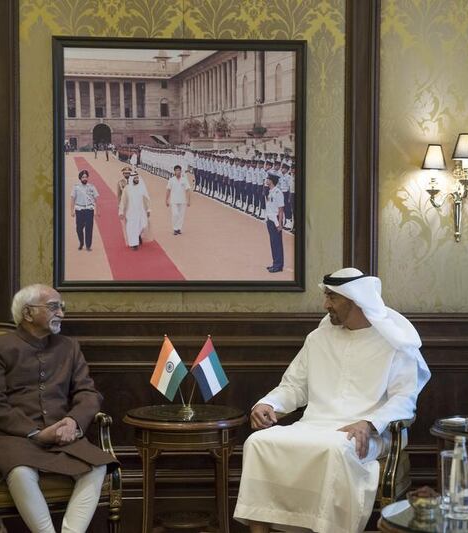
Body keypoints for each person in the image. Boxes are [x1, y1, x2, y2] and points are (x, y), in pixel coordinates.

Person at [233, 268, 431, 533]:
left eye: (332, 297)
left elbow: (405, 400)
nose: (325, 304)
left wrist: (370, 423)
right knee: (258, 442)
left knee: (335, 448)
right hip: (314, 424)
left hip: (368, 434)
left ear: (355, 300)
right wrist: (269, 404)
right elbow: (294, 386)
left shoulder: (394, 343)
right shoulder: (318, 338)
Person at [0, 284, 118, 533]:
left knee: (98, 467)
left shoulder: (69, 347)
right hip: (10, 436)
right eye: (54, 307)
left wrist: (73, 421)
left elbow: (88, 392)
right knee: (20, 472)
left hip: (62, 434)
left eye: (62, 307)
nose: (62, 313)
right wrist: (35, 432)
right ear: (28, 313)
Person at [119, 172, 150, 250]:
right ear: (132, 179)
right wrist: (121, 211)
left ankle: (137, 235)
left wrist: (148, 209)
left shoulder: (141, 187)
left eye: (137, 178)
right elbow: (123, 200)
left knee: (143, 225)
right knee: (132, 227)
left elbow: (146, 199)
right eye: (135, 178)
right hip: (131, 212)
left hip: (141, 211)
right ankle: (134, 244)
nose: (137, 179)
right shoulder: (127, 189)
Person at [69, 170, 99, 251]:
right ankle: (81, 242)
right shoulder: (76, 187)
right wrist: (71, 211)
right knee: (79, 228)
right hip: (79, 210)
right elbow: (72, 199)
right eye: (83, 177)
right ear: (80, 178)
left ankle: (88, 246)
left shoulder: (92, 187)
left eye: (86, 177)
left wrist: (97, 210)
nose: (85, 179)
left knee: (89, 228)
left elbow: (96, 199)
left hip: (89, 210)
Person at [264, 174, 284, 273]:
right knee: (273, 243)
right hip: (270, 220)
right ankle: (275, 263)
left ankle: (278, 265)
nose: (266, 180)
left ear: (271, 181)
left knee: (277, 243)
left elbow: (281, 210)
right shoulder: (270, 191)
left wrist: (279, 224)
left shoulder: (278, 192)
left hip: (276, 220)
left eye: (267, 179)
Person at [165, 164, 191, 236]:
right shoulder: (171, 180)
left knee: (181, 215)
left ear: (181, 171)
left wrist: (188, 200)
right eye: (176, 170)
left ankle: (178, 229)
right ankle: (175, 228)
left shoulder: (184, 179)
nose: (178, 172)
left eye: (179, 170)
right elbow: (168, 190)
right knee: (175, 214)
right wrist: (166, 200)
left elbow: (188, 190)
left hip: (182, 200)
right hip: (174, 200)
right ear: (174, 172)